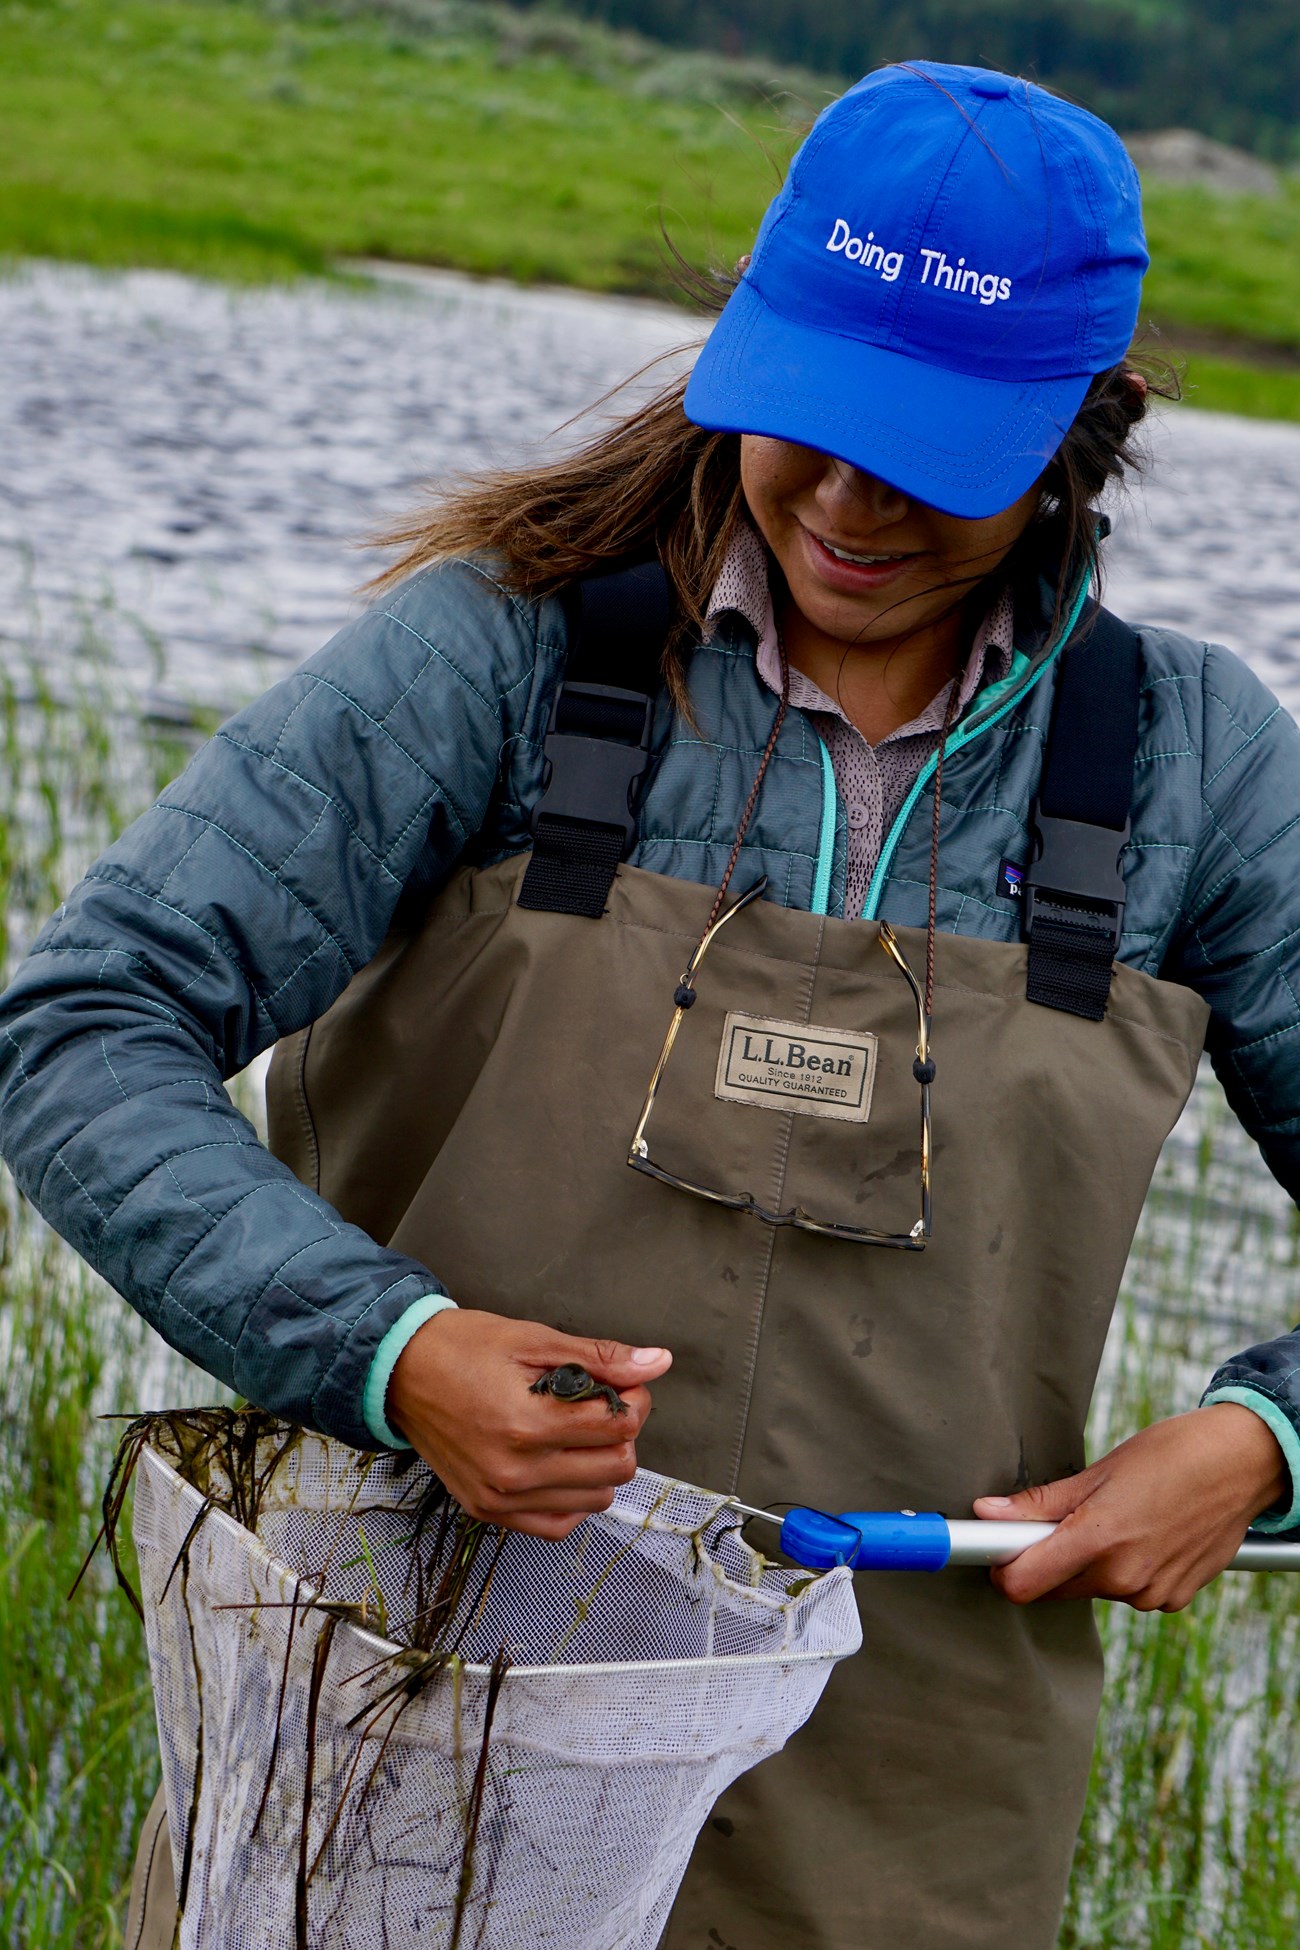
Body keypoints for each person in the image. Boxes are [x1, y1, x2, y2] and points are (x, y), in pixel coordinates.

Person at [2, 58, 1299, 1950]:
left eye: (927, 457)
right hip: (387, 1738)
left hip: (906, 1817)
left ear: (1077, 438)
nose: (844, 505)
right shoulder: (499, 653)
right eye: (810, 421)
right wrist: (389, 1350)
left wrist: (1265, 1443)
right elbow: (81, 1026)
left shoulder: (1201, 770)